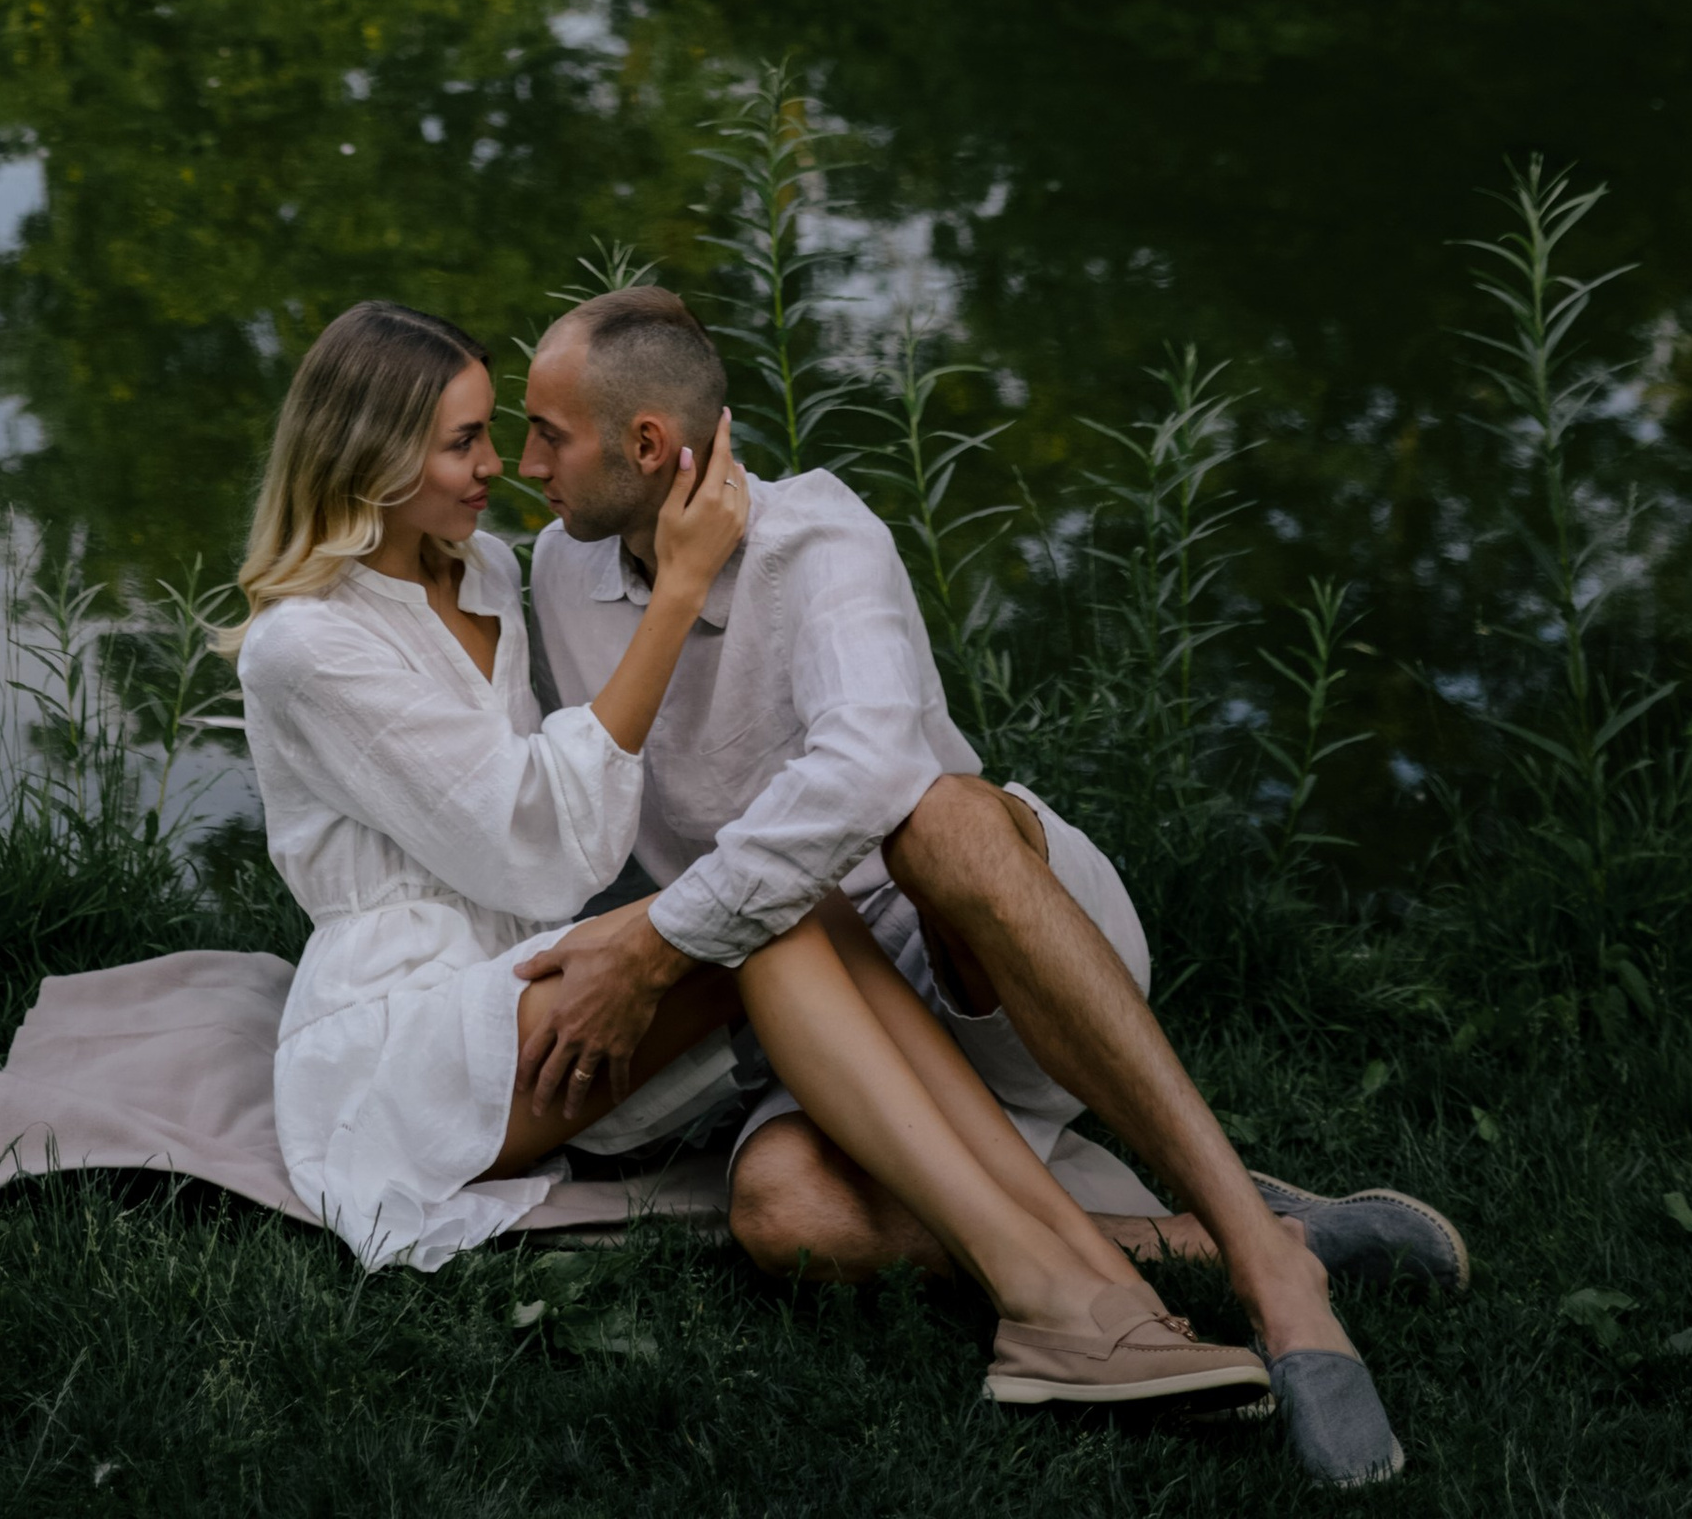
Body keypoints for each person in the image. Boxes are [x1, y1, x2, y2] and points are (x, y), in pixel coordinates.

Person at [234, 297, 1274, 1414]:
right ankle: (1085, 1284)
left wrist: (656, 927)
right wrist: (677, 594)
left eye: (509, 431)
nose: (503, 465)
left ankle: (1083, 1285)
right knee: (758, 918)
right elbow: (538, 855)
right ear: (367, 455)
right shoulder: (307, 645)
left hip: (534, 959)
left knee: (776, 904)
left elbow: (591, 826)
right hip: (410, 1021)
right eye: (467, 442)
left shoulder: (484, 571)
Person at [521, 287, 1465, 1491]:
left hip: (991, 960)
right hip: (817, 1008)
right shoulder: (560, 569)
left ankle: (1267, 1269)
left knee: (937, 818)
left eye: (548, 432)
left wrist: (663, 939)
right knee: (780, 1216)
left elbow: (867, 767)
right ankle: (1203, 1244)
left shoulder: (823, 539)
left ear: (645, 446)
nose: (523, 459)